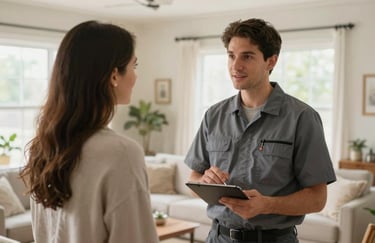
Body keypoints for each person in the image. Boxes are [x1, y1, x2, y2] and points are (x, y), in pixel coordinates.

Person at [185, 18, 336, 243]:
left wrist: (267, 205)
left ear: (271, 61)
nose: (235, 66)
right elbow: (193, 178)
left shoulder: (302, 118)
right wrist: (205, 182)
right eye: (231, 55)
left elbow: (317, 199)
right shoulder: (213, 116)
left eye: (247, 56)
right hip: (218, 238)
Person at [19, 20, 159, 243]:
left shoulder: (44, 145)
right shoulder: (121, 152)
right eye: (134, 65)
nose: (136, 76)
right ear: (114, 75)